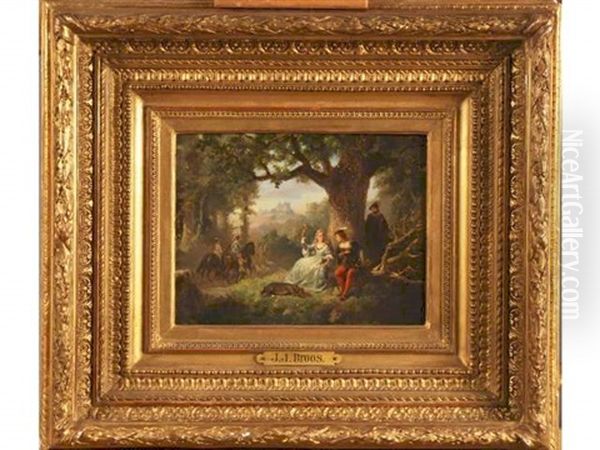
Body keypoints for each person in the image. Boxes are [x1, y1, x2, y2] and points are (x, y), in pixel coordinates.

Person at [285, 228, 334, 292]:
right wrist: (303, 243)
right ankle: (297, 280)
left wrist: (325, 258)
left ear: (324, 237)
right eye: (319, 236)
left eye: (322, 236)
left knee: (316, 269)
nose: (321, 237)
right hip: (314, 259)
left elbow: (329, 255)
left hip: (321, 260)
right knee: (300, 263)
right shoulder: (315, 244)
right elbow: (307, 247)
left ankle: (315, 285)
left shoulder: (325, 246)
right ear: (317, 237)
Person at [333, 227, 362, 300]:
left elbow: (358, 253)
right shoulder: (339, 246)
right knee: (337, 273)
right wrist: (341, 255)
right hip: (345, 264)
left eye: (337, 237)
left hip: (354, 264)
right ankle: (342, 290)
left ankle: (345, 294)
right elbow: (336, 255)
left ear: (341, 236)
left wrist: (350, 253)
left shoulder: (352, 243)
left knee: (350, 273)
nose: (337, 239)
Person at [364, 201, 391, 267]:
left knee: (380, 249)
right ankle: (373, 262)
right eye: (372, 208)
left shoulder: (381, 216)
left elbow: (385, 226)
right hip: (372, 236)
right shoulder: (370, 216)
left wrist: (386, 233)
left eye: (375, 208)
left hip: (380, 236)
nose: (374, 209)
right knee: (372, 249)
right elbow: (367, 226)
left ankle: (379, 262)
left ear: (377, 208)